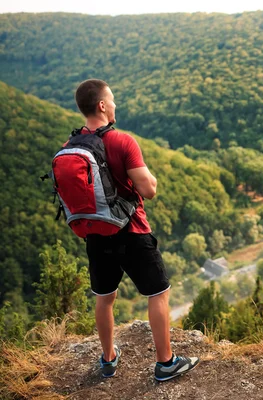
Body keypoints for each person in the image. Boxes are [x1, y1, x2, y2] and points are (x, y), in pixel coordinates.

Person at [74, 79, 198, 381]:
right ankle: (166, 363)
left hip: (96, 234)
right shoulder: (122, 141)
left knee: (104, 297)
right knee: (158, 293)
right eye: (112, 100)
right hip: (132, 231)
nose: (115, 105)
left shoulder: (72, 146)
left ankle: (108, 358)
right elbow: (149, 189)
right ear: (102, 105)